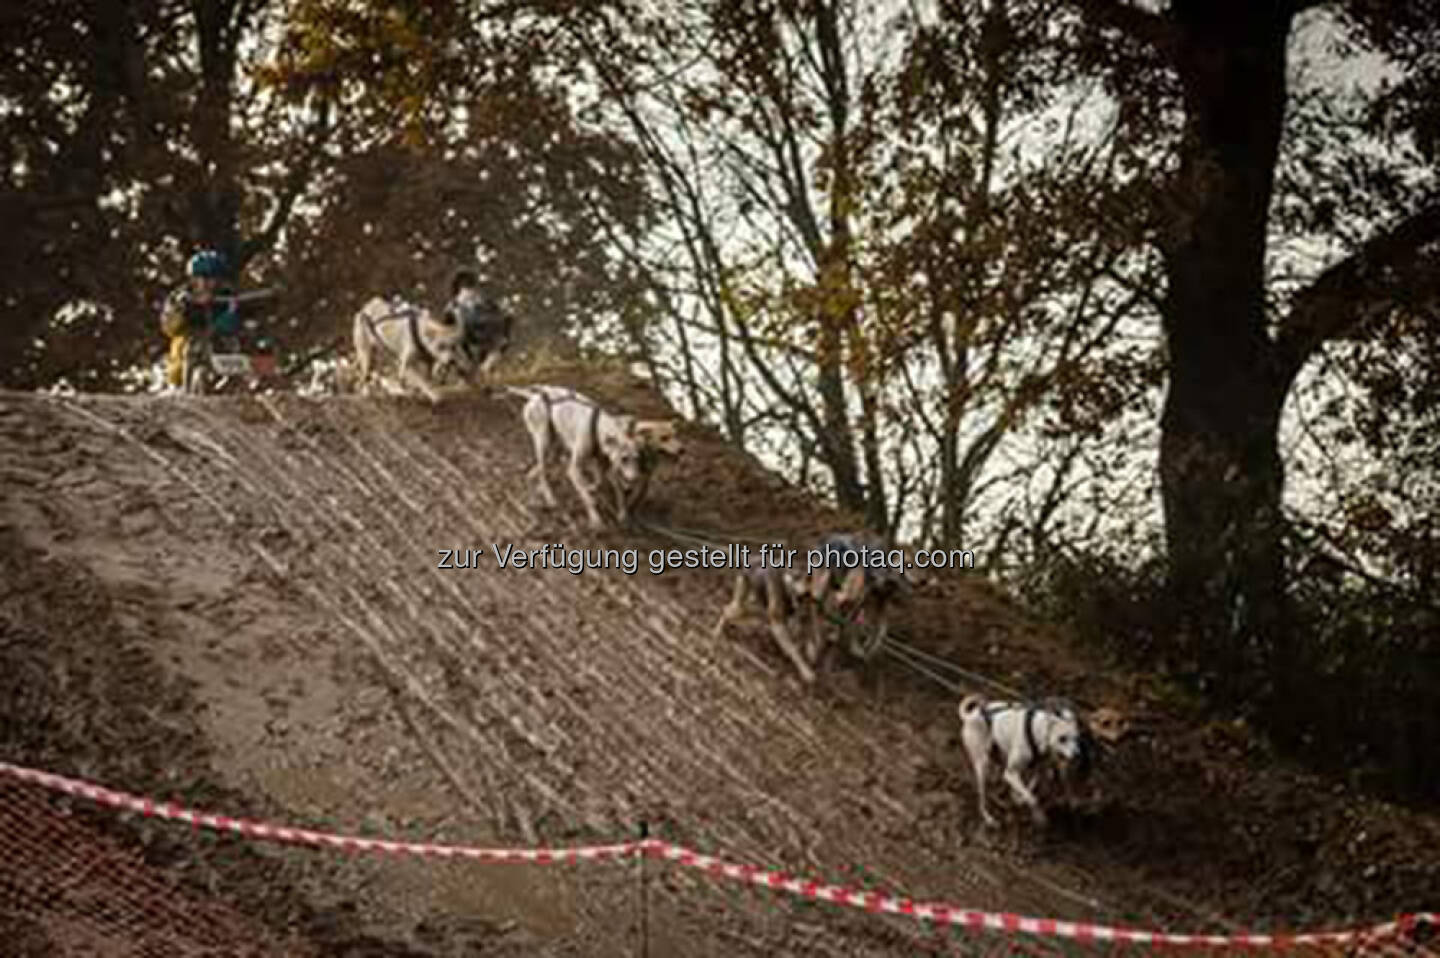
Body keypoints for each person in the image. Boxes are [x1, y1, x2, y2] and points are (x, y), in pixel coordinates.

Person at [159, 249, 241, 390]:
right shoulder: (180, 298)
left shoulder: (228, 297)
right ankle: (185, 388)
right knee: (192, 346)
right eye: (198, 278)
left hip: (219, 349)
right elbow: (168, 326)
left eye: (210, 279)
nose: (203, 283)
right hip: (185, 353)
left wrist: (231, 320)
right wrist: (181, 310)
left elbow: (244, 321)